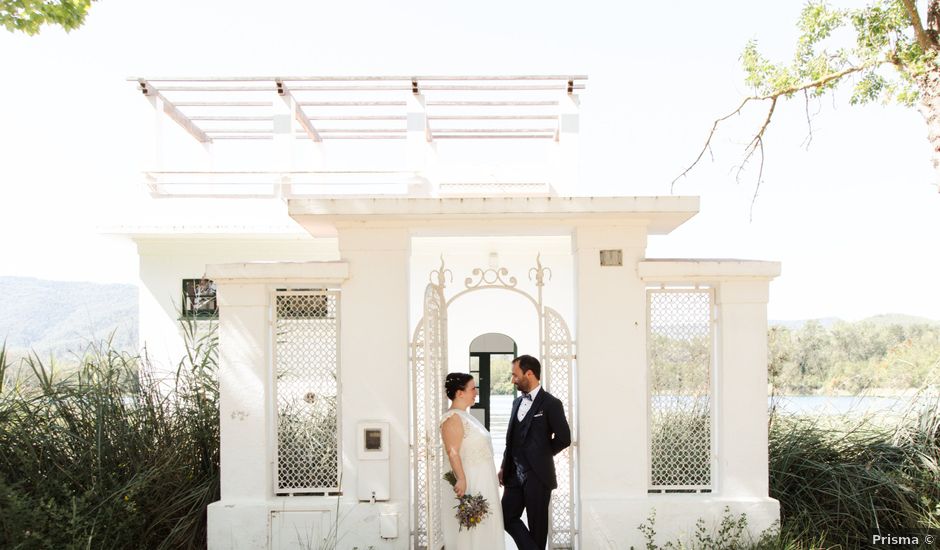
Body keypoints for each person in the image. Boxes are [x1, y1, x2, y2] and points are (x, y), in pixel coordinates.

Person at [499, 355, 571, 550]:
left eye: (515, 375)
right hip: (514, 474)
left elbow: (564, 438)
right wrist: (504, 465)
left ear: (529, 373)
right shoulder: (516, 403)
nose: (513, 380)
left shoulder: (551, 404)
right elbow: (511, 439)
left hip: (538, 476)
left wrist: (542, 455)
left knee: (538, 529)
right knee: (505, 516)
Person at [440, 372, 505, 550]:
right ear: (460, 393)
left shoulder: (465, 416)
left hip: (483, 479)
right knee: (472, 527)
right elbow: (452, 452)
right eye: (472, 388)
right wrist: (461, 478)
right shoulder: (452, 418)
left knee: (485, 525)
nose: (476, 392)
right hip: (470, 481)